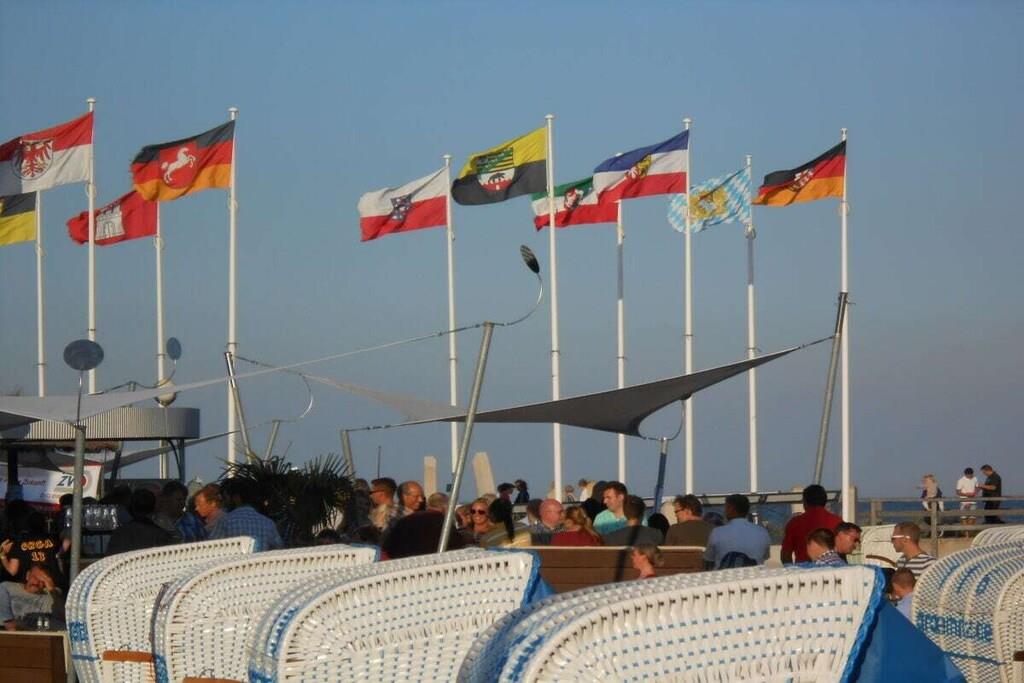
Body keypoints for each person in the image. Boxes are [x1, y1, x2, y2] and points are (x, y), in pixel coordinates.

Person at [382, 492, 465, 558]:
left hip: (403, 567)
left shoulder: (405, 521)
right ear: (446, 508)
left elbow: (388, 548)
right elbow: (458, 548)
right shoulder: (445, 524)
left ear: (428, 505)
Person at [210, 479, 283, 551]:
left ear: (236, 498)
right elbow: (279, 548)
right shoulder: (268, 523)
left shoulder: (225, 521)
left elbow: (211, 548)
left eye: (225, 498)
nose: (224, 503)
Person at [703, 494, 770, 570]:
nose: (724, 511)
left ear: (731, 509)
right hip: (754, 576)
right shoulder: (762, 532)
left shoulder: (717, 532)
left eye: (726, 508)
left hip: (724, 577)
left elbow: (709, 559)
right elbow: (765, 557)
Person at [781, 485, 843, 564]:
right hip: (831, 569)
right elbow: (842, 551)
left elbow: (785, 555)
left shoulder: (794, 523)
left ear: (805, 502)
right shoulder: (838, 522)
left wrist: (792, 570)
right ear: (825, 501)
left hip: (802, 570)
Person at [106, 489, 177, 555]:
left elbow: (110, 558)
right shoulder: (161, 535)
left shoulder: (119, 534)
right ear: (153, 507)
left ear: (131, 507)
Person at [1, 510, 61, 585]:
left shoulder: (19, 542)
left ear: (27, 525)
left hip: (30, 585)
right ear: (44, 524)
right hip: (50, 584)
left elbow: (12, 571)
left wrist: (2, 555)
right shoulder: (53, 540)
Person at [0, 563, 64, 630]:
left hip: (32, 631)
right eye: (34, 577)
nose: (36, 582)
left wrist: (52, 590)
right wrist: (10, 624)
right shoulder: (7, 587)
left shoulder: (49, 597)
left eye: (42, 580)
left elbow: (63, 617)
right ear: (27, 575)